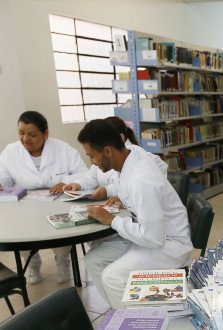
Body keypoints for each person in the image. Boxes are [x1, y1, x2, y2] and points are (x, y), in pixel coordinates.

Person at [76, 119, 192, 307]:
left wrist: (112, 220)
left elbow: (153, 238)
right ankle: (120, 310)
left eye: (92, 156)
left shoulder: (141, 180)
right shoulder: (132, 155)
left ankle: (136, 327)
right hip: (151, 235)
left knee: (112, 277)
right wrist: (123, 196)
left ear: (107, 151)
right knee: (93, 259)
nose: (92, 162)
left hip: (168, 245)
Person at [0, 110, 87, 284]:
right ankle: (32, 264)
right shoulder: (11, 151)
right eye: (21, 133)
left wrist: (66, 182)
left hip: (58, 203)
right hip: (24, 207)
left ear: (45, 134)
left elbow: (83, 173)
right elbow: (0, 174)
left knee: (62, 235)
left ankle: (63, 262)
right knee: (21, 235)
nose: (25, 139)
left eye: (32, 134)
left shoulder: (63, 149)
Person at [53, 116, 167, 193]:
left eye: (92, 156)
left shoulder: (140, 163)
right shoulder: (105, 156)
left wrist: (107, 191)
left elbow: (130, 186)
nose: (91, 162)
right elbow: (92, 176)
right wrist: (79, 184)